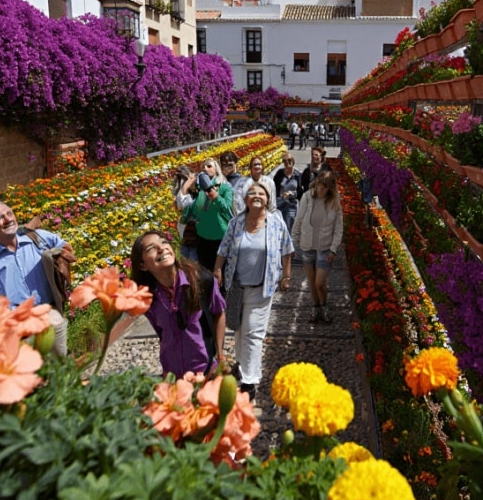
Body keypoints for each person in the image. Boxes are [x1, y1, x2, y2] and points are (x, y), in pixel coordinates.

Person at [214, 182, 293, 401]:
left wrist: (286, 276)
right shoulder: (236, 223)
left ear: (268, 199)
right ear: (246, 200)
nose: (257, 196)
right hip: (237, 287)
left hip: (262, 288)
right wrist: (218, 268)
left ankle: (250, 380)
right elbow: (224, 248)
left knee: (253, 334)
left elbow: (287, 249)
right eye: (252, 193)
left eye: (261, 193)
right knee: (239, 329)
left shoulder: (276, 224)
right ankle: (241, 364)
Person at [0, 198, 71, 356]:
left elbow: (65, 247)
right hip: (14, 322)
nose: (8, 219)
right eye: (0, 217)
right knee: (27, 373)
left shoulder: (38, 239)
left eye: (9, 213)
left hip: (46, 311)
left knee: (58, 367)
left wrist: (58, 257)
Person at [130, 230, 227, 379]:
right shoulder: (148, 297)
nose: (161, 248)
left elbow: (219, 313)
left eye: (163, 242)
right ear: (142, 265)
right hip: (171, 376)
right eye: (151, 248)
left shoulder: (202, 280)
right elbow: (162, 333)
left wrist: (220, 355)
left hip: (205, 373)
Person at [291, 170, 343, 324]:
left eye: (325, 187)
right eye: (320, 185)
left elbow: (339, 227)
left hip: (325, 247)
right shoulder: (307, 197)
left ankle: (325, 306)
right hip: (307, 245)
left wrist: (334, 248)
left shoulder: (334, 201)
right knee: (311, 280)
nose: (321, 189)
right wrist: (294, 242)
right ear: (316, 184)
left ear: (330, 188)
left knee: (319, 283)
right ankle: (316, 308)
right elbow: (299, 219)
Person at [191, 157, 234, 272]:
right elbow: (195, 210)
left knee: (219, 271)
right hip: (202, 235)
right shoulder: (199, 189)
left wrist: (213, 194)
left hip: (220, 236)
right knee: (205, 271)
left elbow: (227, 208)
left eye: (209, 166)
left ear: (216, 169)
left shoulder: (225, 186)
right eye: (203, 167)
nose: (205, 168)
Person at [172, 165, 200, 262]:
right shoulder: (185, 193)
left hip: (196, 239)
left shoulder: (200, 192)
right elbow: (181, 204)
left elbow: (184, 204)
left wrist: (188, 184)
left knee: (194, 267)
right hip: (186, 238)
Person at [273, 153, 302, 231]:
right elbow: (274, 187)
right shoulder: (280, 173)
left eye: (289, 160)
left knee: (288, 227)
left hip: (291, 204)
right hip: (280, 203)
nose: (287, 162)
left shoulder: (297, 175)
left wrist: (292, 194)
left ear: (293, 160)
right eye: (284, 161)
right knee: (279, 227)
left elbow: (300, 192)